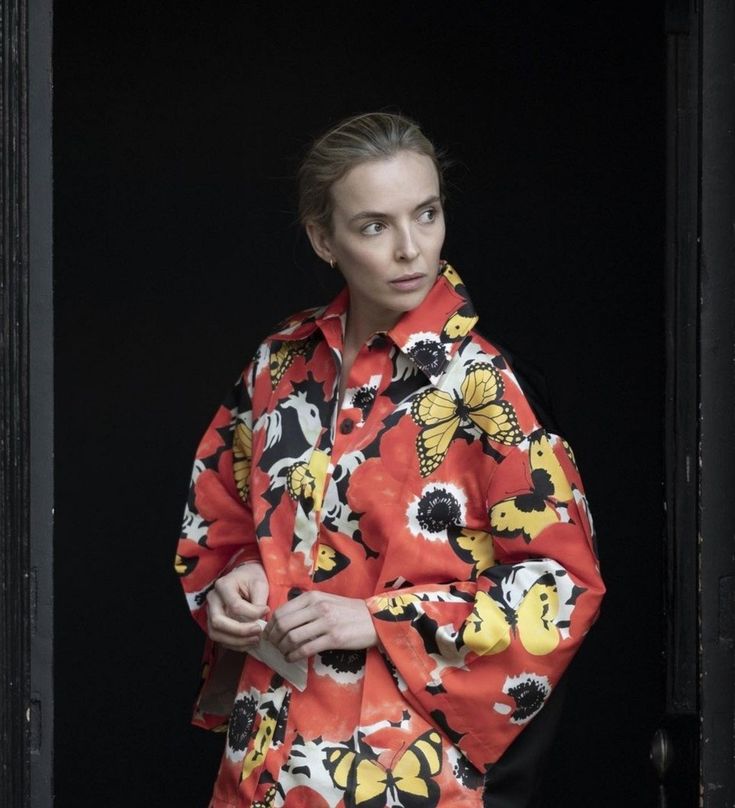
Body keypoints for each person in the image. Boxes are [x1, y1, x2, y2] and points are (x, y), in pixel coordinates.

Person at [175, 112, 605, 807]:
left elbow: (561, 587)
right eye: (374, 226)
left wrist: (379, 618)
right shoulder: (277, 366)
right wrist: (238, 578)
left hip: (403, 774)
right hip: (269, 760)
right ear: (324, 238)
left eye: (426, 214)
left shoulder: (485, 387)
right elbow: (217, 523)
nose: (411, 248)